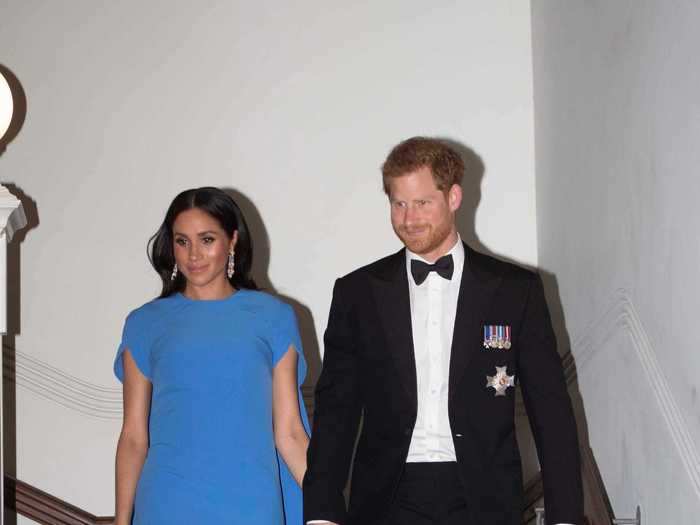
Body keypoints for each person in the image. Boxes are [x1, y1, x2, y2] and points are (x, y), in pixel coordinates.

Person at [303, 138, 583, 525]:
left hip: (485, 499)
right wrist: (321, 513)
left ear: (453, 197)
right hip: (388, 500)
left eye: (422, 203)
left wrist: (565, 515)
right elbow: (336, 412)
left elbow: (550, 410)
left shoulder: (515, 289)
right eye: (399, 203)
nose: (409, 218)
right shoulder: (357, 292)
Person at [114, 187, 310, 524]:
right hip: (167, 504)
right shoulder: (144, 323)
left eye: (207, 239)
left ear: (232, 240)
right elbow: (133, 437)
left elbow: (290, 432)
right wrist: (120, 521)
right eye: (181, 241)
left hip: (251, 504)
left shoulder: (273, 317)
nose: (193, 255)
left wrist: (329, 507)